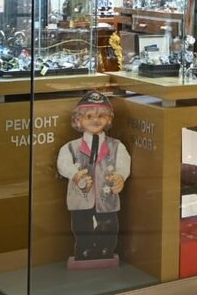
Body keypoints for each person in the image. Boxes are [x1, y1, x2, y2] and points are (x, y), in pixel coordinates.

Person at [56, 91, 131, 268]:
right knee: (82, 227)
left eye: (101, 116)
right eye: (89, 116)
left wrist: (120, 176)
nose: (95, 120)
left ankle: (106, 250)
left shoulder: (116, 146)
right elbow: (63, 164)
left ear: (108, 119)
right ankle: (84, 251)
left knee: (109, 226)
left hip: (107, 199)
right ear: (78, 120)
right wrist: (74, 174)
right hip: (80, 201)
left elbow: (124, 163)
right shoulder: (70, 148)